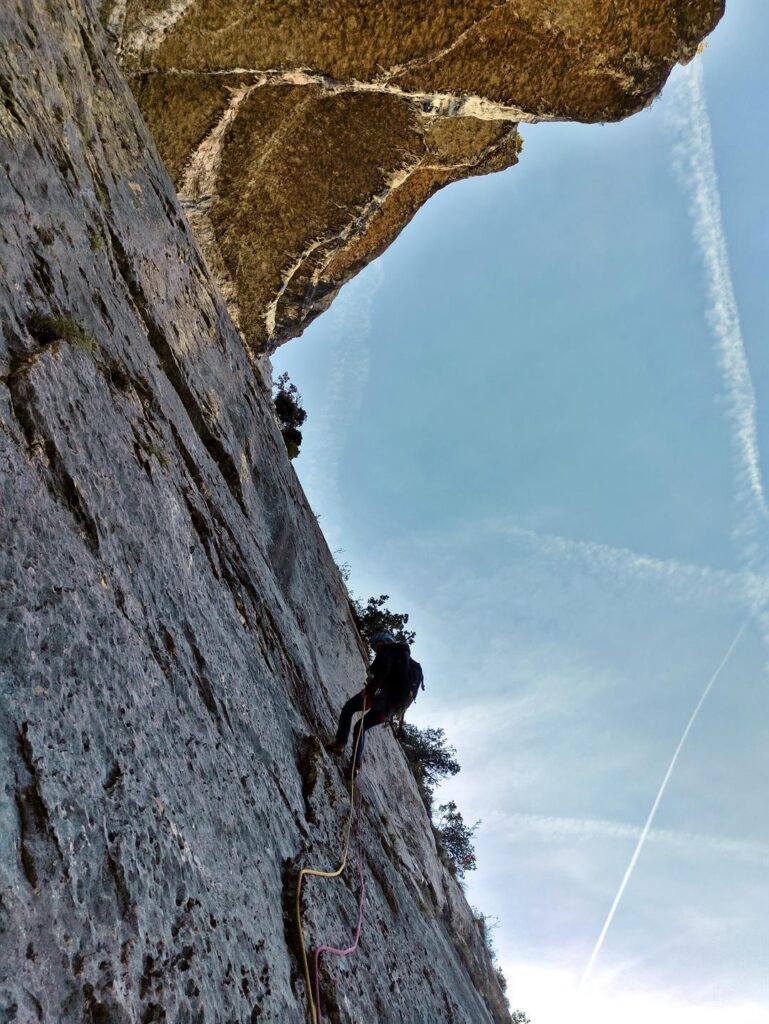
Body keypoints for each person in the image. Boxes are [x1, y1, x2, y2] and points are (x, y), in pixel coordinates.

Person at [327, 631, 423, 776]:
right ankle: (354, 768)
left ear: (383, 642)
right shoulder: (410, 664)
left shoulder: (388, 651)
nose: (375, 649)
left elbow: (383, 672)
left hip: (378, 696)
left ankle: (339, 744)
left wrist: (370, 690)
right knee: (361, 727)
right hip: (390, 708)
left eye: (375, 645)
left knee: (348, 708)